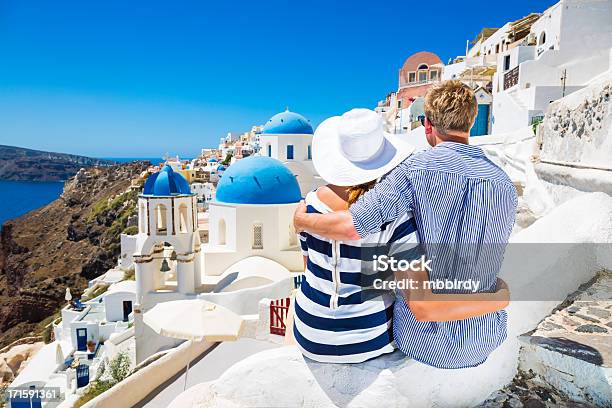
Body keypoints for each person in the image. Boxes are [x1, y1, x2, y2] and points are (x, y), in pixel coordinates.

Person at [294, 81, 518, 369]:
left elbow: (353, 226)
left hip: (423, 339)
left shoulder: (413, 171)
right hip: (486, 335)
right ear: (472, 121)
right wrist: (499, 298)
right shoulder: (504, 184)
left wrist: (302, 220)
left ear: (428, 125)